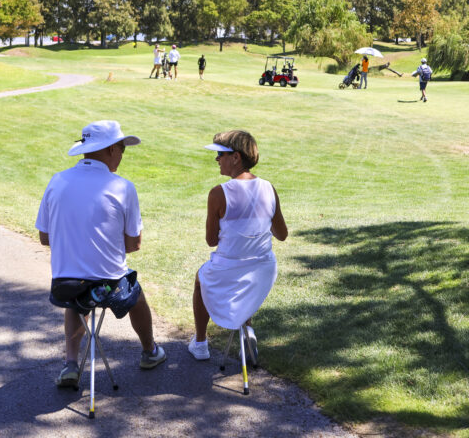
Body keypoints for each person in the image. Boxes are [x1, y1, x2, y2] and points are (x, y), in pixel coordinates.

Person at [36, 120, 167, 387]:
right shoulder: (123, 187)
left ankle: (71, 364)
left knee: (77, 298)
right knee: (135, 293)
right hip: (112, 286)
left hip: (64, 284)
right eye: (121, 148)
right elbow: (134, 245)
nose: (122, 155)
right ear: (108, 149)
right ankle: (150, 351)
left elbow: (44, 237)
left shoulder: (57, 181)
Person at [189, 130, 288, 361]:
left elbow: (211, 241)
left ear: (235, 158)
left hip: (228, 269)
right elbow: (281, 234)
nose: (216, 159)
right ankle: (247, 330)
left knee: (200, 279)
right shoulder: (269, 188)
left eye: (220, 154)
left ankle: (201, 343)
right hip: (262, 270)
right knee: (247, 278)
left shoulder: (218, 193)